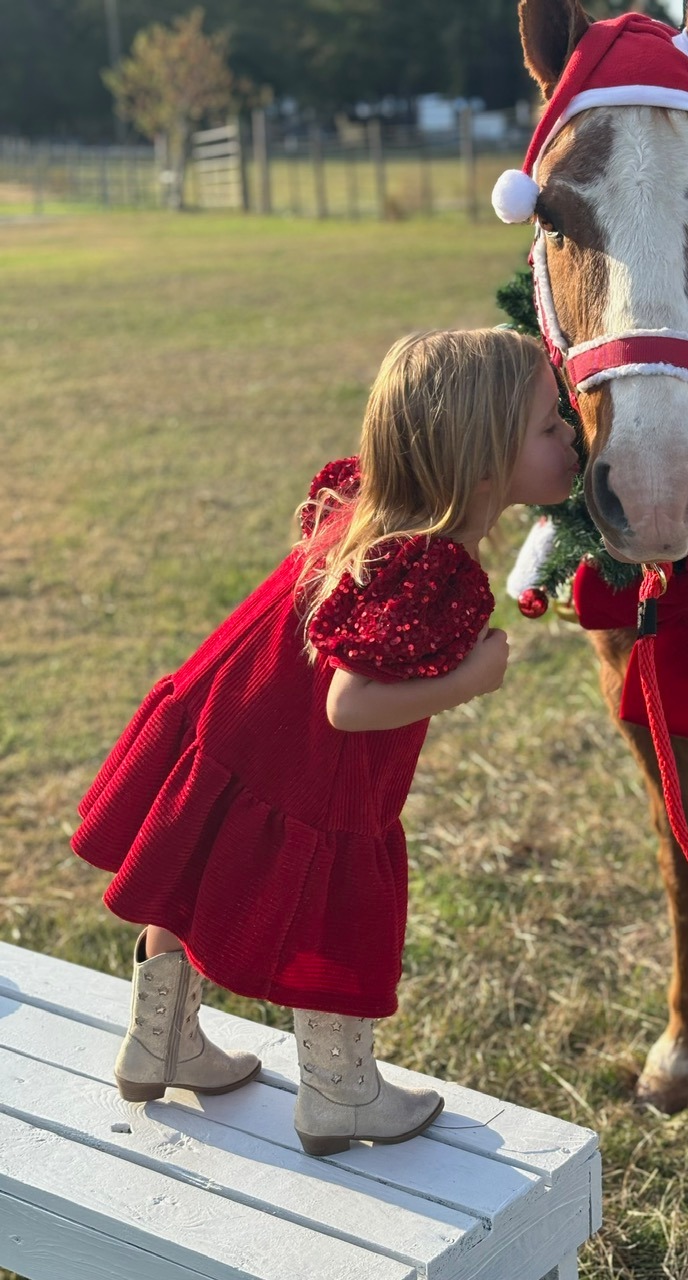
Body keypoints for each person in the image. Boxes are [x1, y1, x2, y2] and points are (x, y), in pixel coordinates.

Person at [71, 327, 579, 1157]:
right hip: (314, 762)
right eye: (551, 429)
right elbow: (352, 703)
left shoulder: (369, 518)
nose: (572, 442)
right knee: (340, 908)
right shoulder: (434, 568)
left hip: (239, 722)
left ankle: (158, 1041)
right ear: (482, 462)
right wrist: (471, 679)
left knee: (190, 867)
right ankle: (339, 1091)